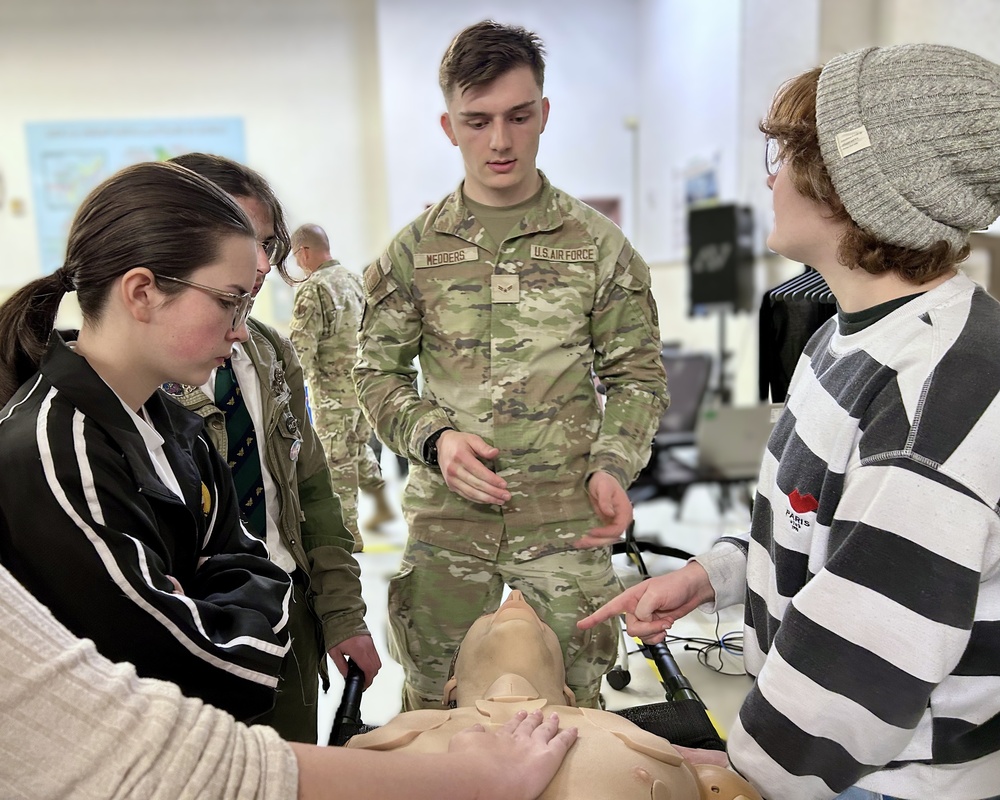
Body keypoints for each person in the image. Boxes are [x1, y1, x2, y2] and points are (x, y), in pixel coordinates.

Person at [580, 43, 1000, 800]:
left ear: (849, 185)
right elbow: (819, 529)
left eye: (786, 154)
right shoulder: (842, 336)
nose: (770, 176)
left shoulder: (931, 400)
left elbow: (858, 672)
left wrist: (741, 775)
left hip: (882, 783)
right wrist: (715, 575)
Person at [353, 20, 669, 711]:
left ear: (544, 115)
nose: (500, 141)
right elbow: (374, 373)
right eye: (479, 120)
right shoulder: (412, 253)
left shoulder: (598, 247)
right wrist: (434, 438)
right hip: (447, 528)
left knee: (574, 711)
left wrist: (613, 464)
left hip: (565, 526)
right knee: (436, 706)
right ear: (449, 126)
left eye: (519, 117)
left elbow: (638, 378)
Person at [0, 161, 292, 721]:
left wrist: (197, 602)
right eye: (229, 301)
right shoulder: (58, 451)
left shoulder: (174, 426)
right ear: (142, 292)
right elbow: (197, 667)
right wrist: (209, 606)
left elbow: (259, 571)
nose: (239, 329)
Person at [0, 558, 578, 800]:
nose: (515, 601)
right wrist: (476, 774)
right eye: (230, 299)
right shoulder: (393, 750)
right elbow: (159, 759)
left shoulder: (391, 746)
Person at [165, 154, 381, 744]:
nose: (261, 265)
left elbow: (311, 490)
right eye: (240, 241)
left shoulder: (267, 353)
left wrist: (341, 615)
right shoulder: (142, 378)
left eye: (267, 243)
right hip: (196, 641)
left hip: (290, 618)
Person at [288, 223, 397, 547]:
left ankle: (348, 534)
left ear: (304, 252)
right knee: (357, 449)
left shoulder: (315, 288)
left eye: (295, 256)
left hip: (333, 396)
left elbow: (300, 351)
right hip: (362, 389)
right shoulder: (354, 280)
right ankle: (381, 503)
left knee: (337, 461)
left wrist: (288, 394)